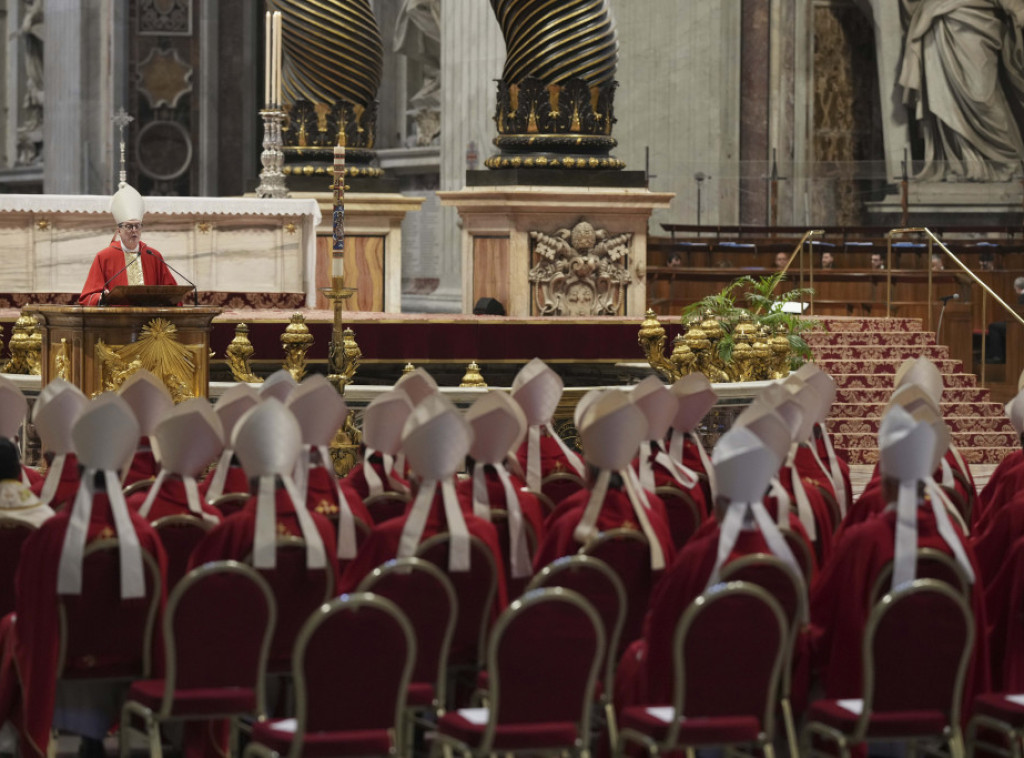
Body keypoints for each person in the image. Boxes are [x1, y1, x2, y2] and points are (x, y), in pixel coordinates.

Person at [899, 0, 1024, 182]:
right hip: (938, 17)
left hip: (978, 19)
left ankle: (1005, 159)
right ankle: (960, 164)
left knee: (981, 97)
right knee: (946, 100)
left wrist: (1016, 7)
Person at [79, 182, 177, 306]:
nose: (134, 230)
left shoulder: (153, 255)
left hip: (149, 317)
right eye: (129, 226)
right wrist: (103, 297)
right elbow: (88, 297)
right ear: (119, 230)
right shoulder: (104, 257)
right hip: (117, 317)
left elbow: (172, 293)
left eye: (137, 226)